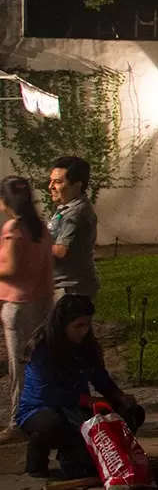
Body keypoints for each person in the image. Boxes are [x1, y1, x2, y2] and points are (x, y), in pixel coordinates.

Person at [16, 296, 144, 478]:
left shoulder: (86, 346)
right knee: (53, 424)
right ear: (63, 324)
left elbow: (99, 377)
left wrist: (118, 396)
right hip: (41, 408)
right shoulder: (42, 348)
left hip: (78, 408)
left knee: (131, 411)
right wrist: (86, 400)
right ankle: (40, 456)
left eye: (87, 325)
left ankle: (112, 453)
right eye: (78, 326)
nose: (83, 331)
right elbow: (46, 392)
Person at [1, 177, 53, 443]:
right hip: (40, 302)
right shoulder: (41, 228)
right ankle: (39, 413)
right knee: (38, 364)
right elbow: (47, 271)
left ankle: (17, 421)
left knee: (18, 369)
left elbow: (10, 268)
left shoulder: (14, 228)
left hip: (18, 306)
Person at [48, 156, 100, 300]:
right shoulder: (67, 207)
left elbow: (61, 251)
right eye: (51, 180)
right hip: (63, 288)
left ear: (77, 186)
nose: (50, 186)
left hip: (70, 291)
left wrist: (29, 246)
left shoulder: (77, 212)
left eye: (57, 182)